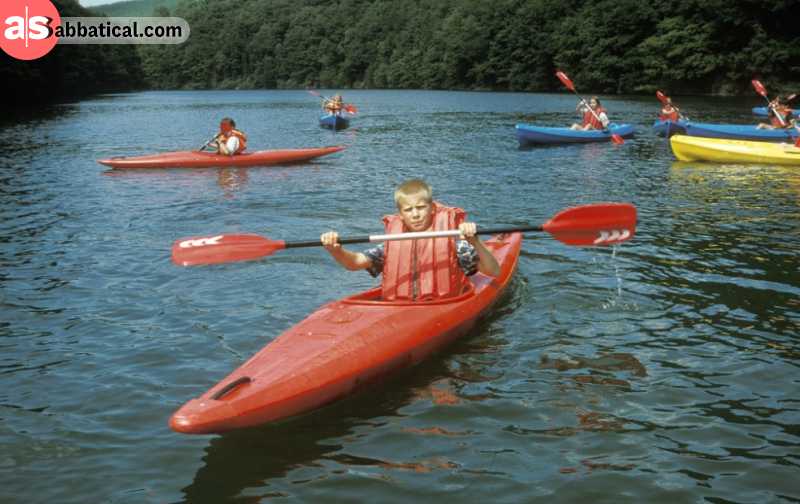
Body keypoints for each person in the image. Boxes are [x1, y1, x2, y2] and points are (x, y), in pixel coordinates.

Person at [320, 179, 500, 301]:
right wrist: (335, 250)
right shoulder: (392, 243)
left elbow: (493, 271)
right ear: (401, 214)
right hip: (400, 308)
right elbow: (355, 263)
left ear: (432, 209)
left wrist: (474, 241)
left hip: (443, 305)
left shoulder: (454, 244)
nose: (415, 215)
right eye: (409, 210)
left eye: (421, 208)